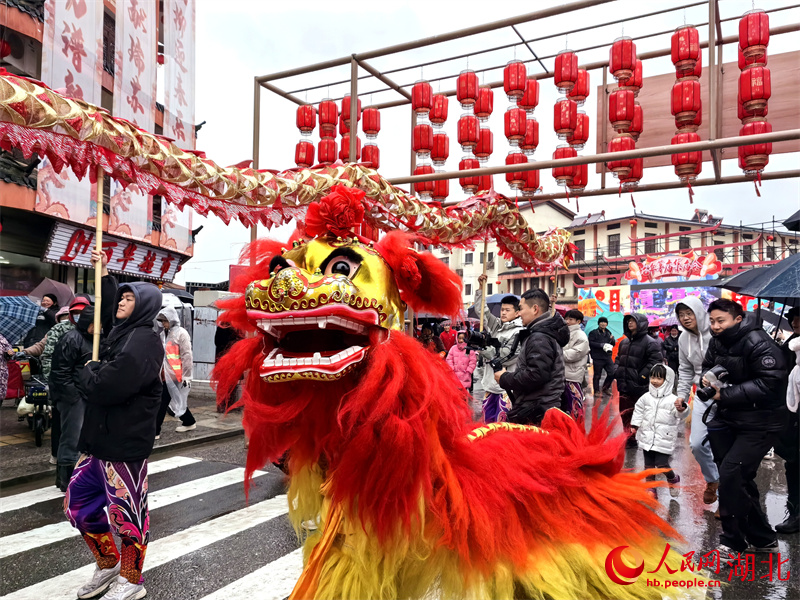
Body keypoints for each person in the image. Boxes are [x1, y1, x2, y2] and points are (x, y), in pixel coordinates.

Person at [66, 273, 164, 600]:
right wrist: (106, 275)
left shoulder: (144, 341)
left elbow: (106, 386)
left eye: (129, 299)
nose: (121, 302)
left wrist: (88, 372)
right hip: (98, 444)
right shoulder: (121, 333)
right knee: (77, 505)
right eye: (122, 297)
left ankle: (131, 579)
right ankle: (108, 564)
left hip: (124, 447)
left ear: (144, 306)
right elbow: (107, 309)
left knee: (128, 516)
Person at [702, 299, 786, 557]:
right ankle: (763, 539)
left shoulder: (758, 342)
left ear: (737, 319)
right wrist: (708, 379)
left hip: (760, 422)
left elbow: (772, 382)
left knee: (731, 476)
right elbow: (707, 366)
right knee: (739, 481)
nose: (715, 326)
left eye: (721, 321)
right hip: (728, 419)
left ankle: (732, 543)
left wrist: (726, 394)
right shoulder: (717, 341)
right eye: (712, 321)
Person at [495, 288, 569, 426]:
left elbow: (536, 375)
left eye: (521, 308)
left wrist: (505, 378)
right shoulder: (541, 334)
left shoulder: (539, 338)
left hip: (538, 411)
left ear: (535, 309)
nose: (519, 313)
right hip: (539, 407)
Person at [673, 297, 720, 506]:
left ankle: (726, 501)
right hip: (702, 395)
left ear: (699, 312)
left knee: (725, 446)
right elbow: (685, 370)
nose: (685, 318)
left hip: (726, 394)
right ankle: (712, 480)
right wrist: (681, 396)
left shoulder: (716, 332)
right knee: (697, 443)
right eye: (681, 315)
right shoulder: (683, 339)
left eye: (689, 313)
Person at [50, 306, 94, 491]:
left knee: (79, 436)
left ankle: (75, 476)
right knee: (71, 437)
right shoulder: (71, 339)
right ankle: (66, 479)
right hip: (72, 396)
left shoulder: (95, 340)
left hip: (84, 394)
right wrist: (73, 396)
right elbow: (60, 372)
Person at [472, 274, 524, 423]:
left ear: (517, 312)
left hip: (506, 388)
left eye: (507, 310)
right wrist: (481, 288)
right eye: (502, 310)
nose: (503, 313)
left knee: (502, 426)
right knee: (487, 424)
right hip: (490, 385)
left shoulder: (520, 331)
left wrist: (489, 352)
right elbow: (482, 311)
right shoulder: (496, 326)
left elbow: (509, 356)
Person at [630, 364, 687, 498]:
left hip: (664, 438)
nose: (654, 381)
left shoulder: (672, 400)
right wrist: (635, 424)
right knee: (649, 466)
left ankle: (673, 478)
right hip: (647, 436)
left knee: (661, 464)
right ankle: (651, 488)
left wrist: (682, 408)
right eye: (653, 377)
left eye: (659, 378)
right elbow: (638, 410)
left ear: (667, 380)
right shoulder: (646, 397)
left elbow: (680, 414)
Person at [615, 313, 663, 447]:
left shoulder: (650, 342)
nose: (630, 323)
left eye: (633, 321)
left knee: (641, 415)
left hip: (639, 386)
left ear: (641, 323)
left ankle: (647, 440)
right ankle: (629, 438)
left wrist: (641, 377)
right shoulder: (624, 342)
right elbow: (618, 358)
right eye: (628, 321)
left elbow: (655, 362)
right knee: (625, 413)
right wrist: (616, 371)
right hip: (624, 384)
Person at [775, 306, 799, 533]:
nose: (795, 323)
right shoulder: (789, 345)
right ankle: (795, 512)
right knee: (793, 464)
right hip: (791, 416)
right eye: (793, 319)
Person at [155, 306, 196, 437]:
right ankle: (189, 421)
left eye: (165, 320)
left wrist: (186, 375)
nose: (163, 324)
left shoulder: (181, 333)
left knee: (162, 402)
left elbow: (187, 355)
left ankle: (155, 431)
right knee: (175, 399)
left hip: (175, 375)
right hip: (165, 374)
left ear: (172, 319)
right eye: (161, 321)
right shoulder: (163, 334)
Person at [562, 309, 589, 425]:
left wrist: (556, 353)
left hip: (573, 375)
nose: (567, 321)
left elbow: (574, 354)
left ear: (578, 321)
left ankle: (576, 429)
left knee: (574, 406)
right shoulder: (564, 333)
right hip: (562, 374)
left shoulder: (581, 336)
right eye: (566, 319)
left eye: (571, 319)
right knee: (564, 406)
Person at [588, 316, 615, 395]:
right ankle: (596, 391)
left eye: (605, 322)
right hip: (598, 357)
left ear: (607, 324)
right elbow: (590, 343)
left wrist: (612, 339)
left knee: (612, 373)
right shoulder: (593, 332)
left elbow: (612, 344)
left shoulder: (609, 333)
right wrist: (601, 345)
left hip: (607, 356)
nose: (603, 324)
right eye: (601, 322)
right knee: (597, 375)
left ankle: (605, 388)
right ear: (599, 323)